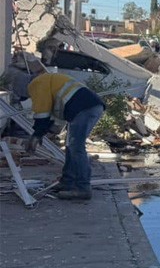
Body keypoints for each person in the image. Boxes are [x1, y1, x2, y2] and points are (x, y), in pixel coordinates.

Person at [23, 70, 106, 201]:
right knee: (71, 146)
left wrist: (36, 136)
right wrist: (41, 133)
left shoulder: (36, 85)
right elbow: (50, 118)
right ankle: (67, 181)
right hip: (89, 107)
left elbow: (42, 114)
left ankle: (83, 188)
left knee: (76, 148)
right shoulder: (49, 80)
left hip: (84, 109)